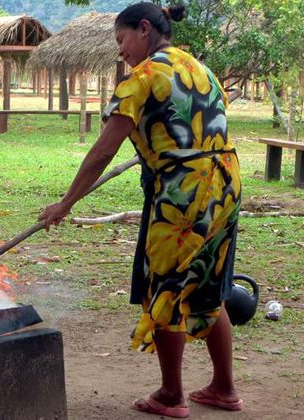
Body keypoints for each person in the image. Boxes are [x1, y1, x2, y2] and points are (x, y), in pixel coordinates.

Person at [38, 2, 243, 418]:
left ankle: (171, 395)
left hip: (183, 193)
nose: (121, 51)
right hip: (225, 182)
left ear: (144, 29)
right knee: (206, 282)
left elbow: (103, 151)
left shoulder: (142, 78)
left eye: (122, 40)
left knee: (165, 286)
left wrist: (66, 203)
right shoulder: (197, 67)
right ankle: (224, 388)